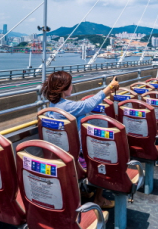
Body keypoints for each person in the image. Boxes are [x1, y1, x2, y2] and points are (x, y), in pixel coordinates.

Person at [41, 71, 120, 209]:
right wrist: (110, 87)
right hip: (76, 160)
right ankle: (99, 199)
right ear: (64, 88)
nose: (72, 86)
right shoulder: (68, 107)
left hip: (59, 156)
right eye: (70, 84)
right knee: (105, 156)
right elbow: (88, 104)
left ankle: (82, 191)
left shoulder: (51, 108)